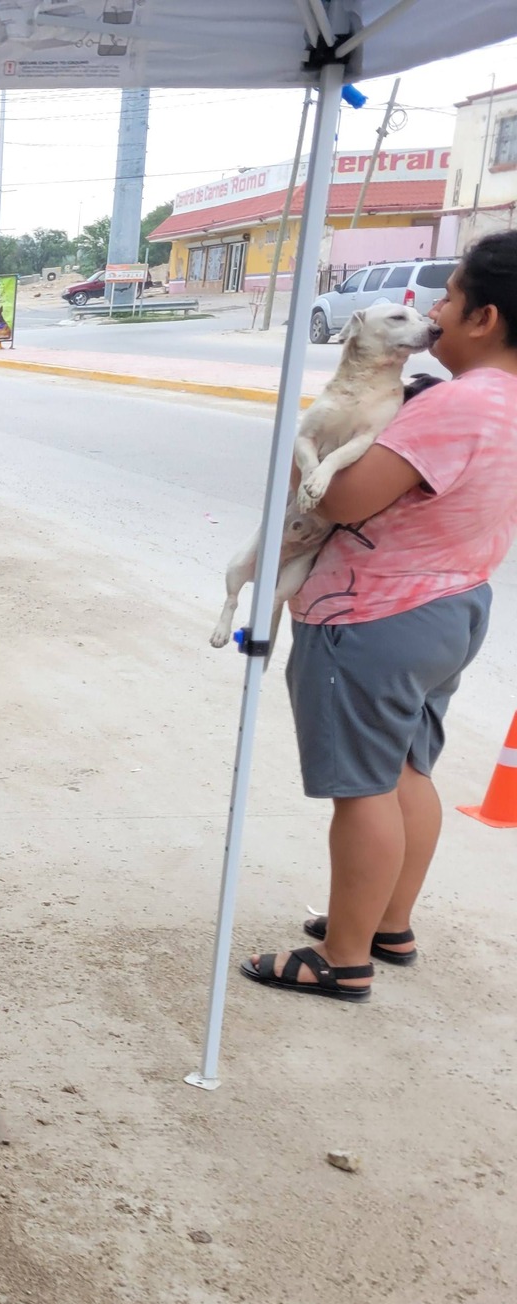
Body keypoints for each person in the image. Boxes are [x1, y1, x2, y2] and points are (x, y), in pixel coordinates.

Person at [243, 232, 517, 1002]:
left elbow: (343, 499)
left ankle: (343, 956)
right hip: (454, 607)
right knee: (405, 771)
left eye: (450, 299)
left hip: (374, 614)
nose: (435, 311)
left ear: (486, 317)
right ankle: (386, 924)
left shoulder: (452, 405)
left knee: (361, 786)